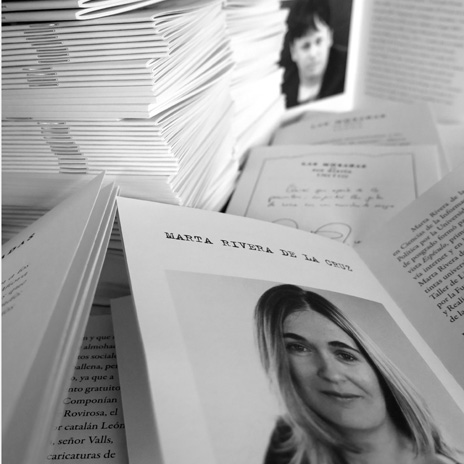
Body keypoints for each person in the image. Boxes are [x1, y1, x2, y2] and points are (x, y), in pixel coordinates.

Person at [254, 284, 462, 464]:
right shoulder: (286, 444)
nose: (332, 374)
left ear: (378, 371)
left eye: (346, 355)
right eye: (298, 348)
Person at [280, 0, 347, 108]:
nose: (313, 54)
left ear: (329, 37)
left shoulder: (349, 72)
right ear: (293, 51)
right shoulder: (281, 89)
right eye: (305, 46)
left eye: (319, 41)